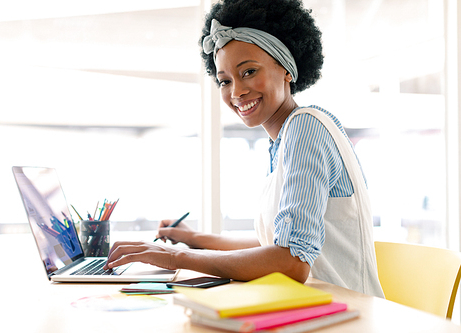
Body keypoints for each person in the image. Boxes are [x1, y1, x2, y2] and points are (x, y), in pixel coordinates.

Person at [104, 0, 384, 297]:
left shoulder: (306, 128)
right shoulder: (285, 138)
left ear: (287, 69)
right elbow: (273, 245)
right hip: (313, 306)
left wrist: (174, 258)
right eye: (224, 81)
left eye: (248, 72)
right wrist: (195, 238)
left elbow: (292, 261)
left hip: (349, 316)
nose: (236, 92)